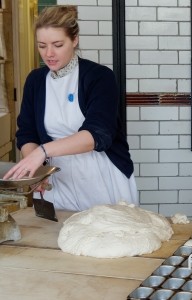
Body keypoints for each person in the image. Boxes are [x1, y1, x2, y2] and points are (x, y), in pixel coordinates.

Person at [3, 6, 138, 211]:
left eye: (57, 44)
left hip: (101, 174)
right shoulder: (36, 81)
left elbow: (98, 134)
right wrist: (37, 169)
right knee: (61, 237)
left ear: (74, 40)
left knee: (111, 235)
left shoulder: (99, 77)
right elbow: (27, 132)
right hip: (58, 177)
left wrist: (42, 151)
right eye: (42, 45)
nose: (49, 54)